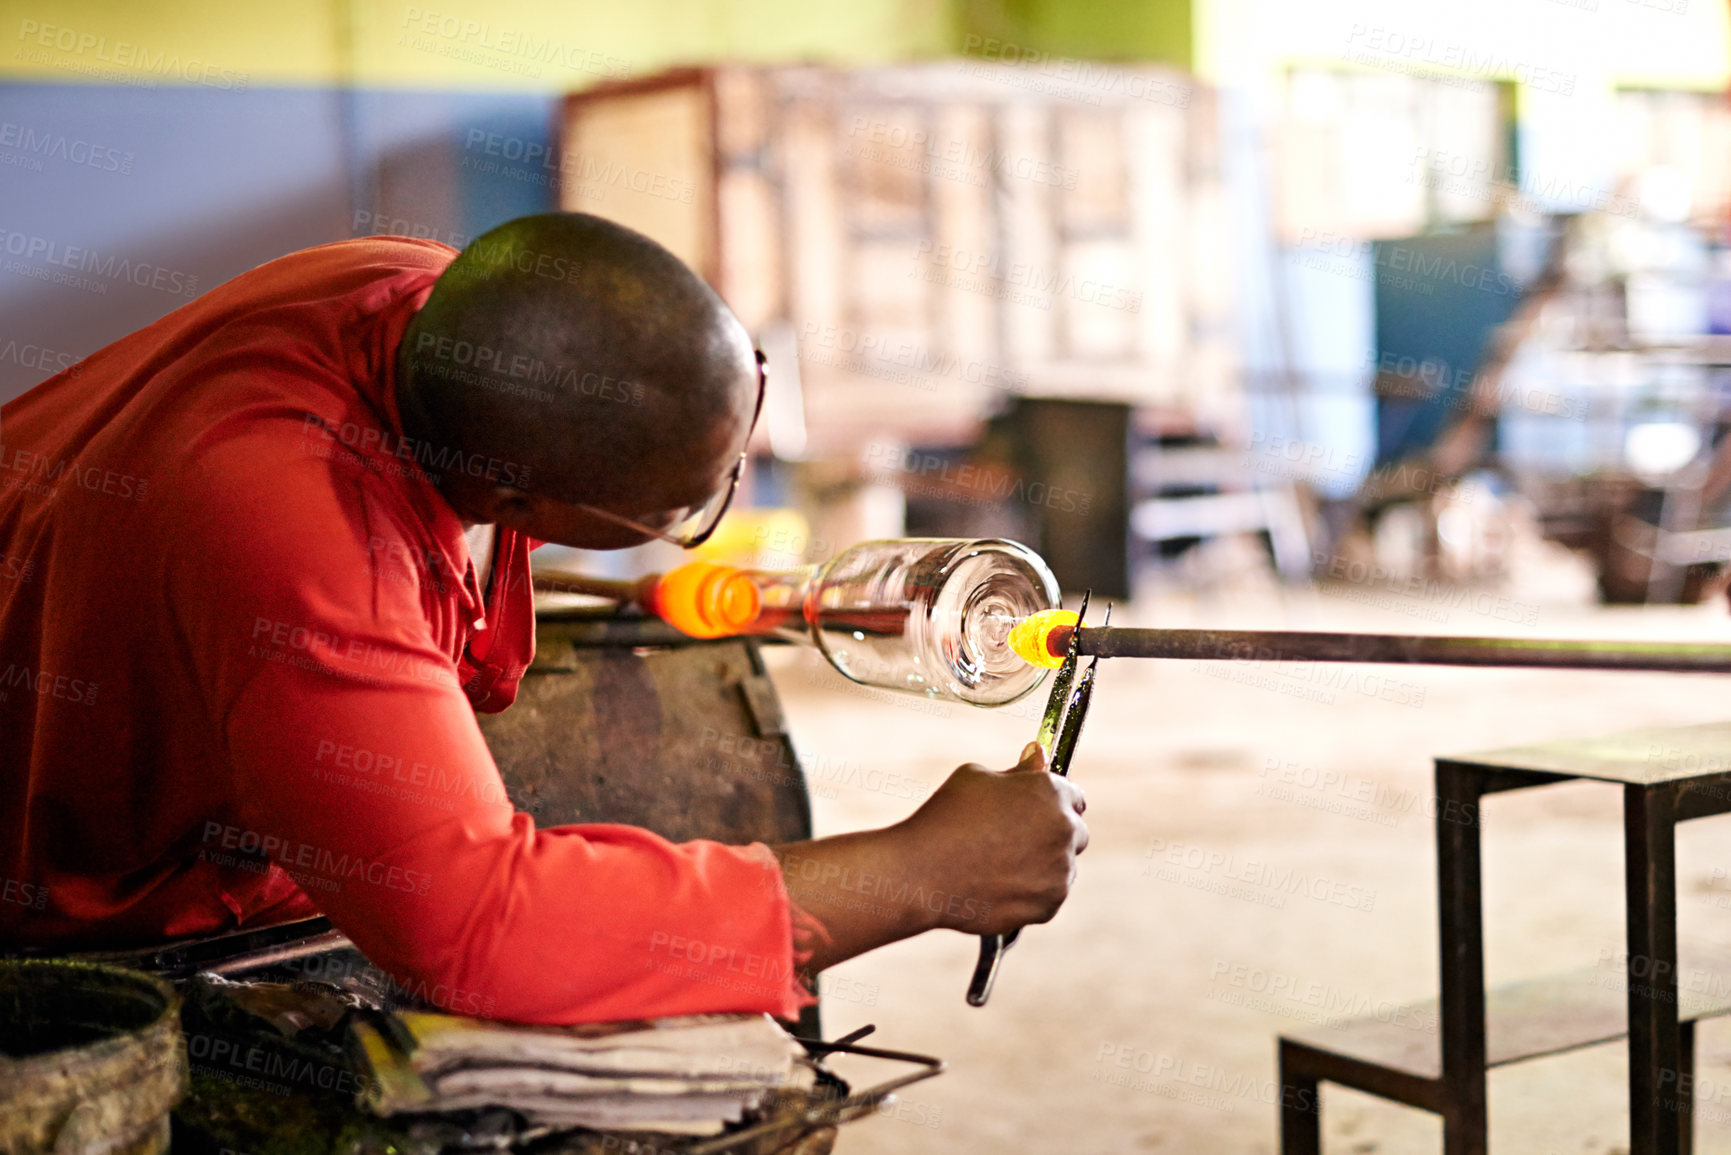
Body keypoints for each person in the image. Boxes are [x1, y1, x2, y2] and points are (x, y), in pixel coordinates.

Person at [0, 212, 1087, 1023]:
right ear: (519, 502)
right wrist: (924, 870)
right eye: (685, 509)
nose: (709, 510)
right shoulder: (300, 540)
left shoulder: (434, 307)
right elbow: (477, 928)